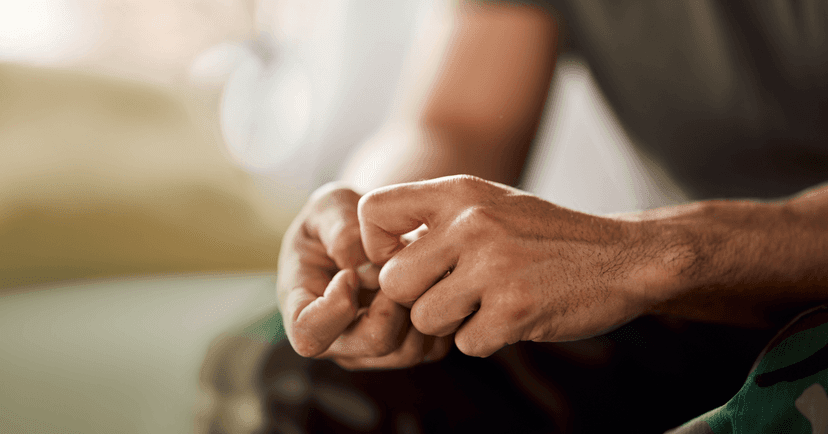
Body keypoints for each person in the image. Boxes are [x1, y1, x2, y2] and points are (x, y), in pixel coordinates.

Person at [210, 1, 828, 432]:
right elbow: (458, 124)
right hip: (709, 303)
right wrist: (371, 228)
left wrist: (651, 254)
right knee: (290, 374)